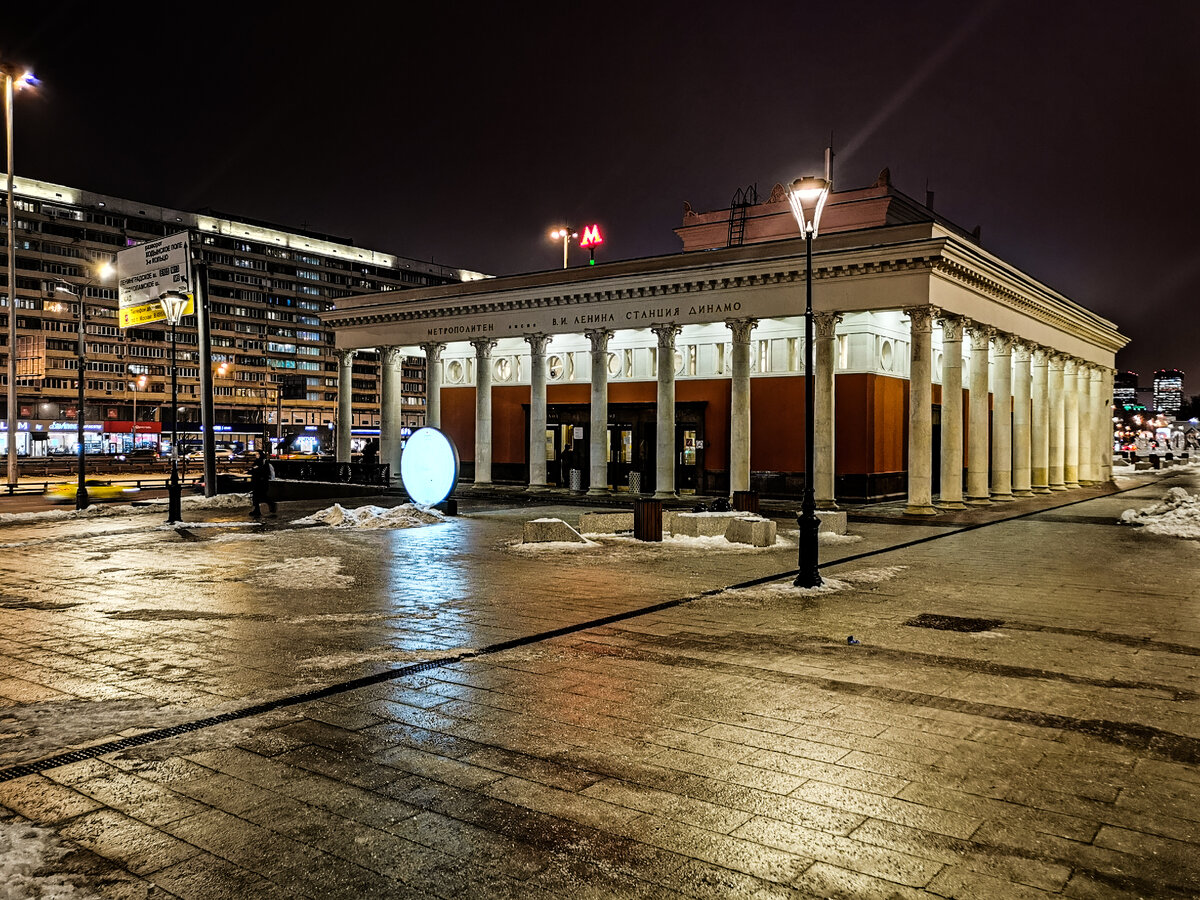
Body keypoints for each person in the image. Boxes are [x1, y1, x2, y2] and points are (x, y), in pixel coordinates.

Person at [249, 451, 277, 518]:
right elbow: (254, 469)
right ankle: (257, 510)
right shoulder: (258, 461)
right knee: (256, 497)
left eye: (257, 454)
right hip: (257, 482)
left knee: (261, 496)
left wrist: (255, 470)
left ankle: (271, 504)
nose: (256, 455)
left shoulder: (263, 462)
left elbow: (263, 471)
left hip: (261, 482)